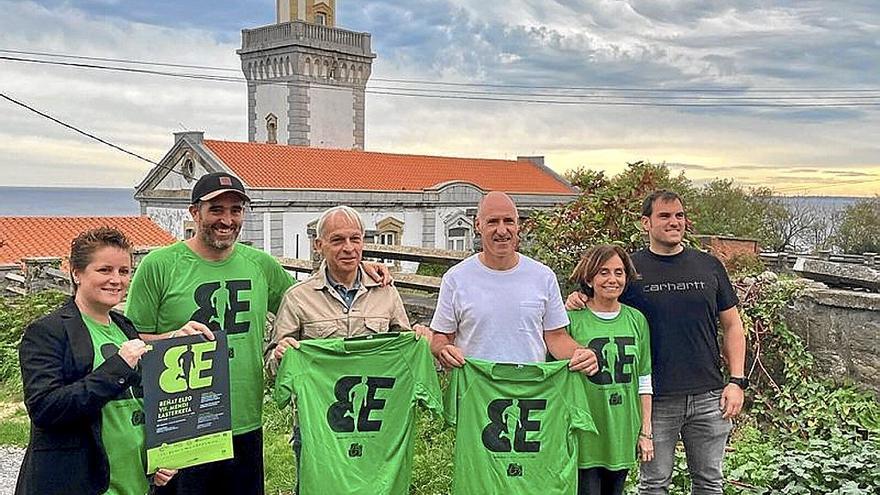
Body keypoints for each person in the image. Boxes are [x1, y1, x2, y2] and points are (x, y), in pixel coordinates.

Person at [125, 173, 390, 495]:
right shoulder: (159, 265)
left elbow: (313, 303)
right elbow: (132, 341)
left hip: (245, 418)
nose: (227, 219)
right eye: (216, 209)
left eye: (235, 210)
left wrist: (360, 270)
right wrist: (173, 338)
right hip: (183, 421)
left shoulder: (261, 265)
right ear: (195, 212)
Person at [567, 191, 746, 494]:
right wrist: (578, 298)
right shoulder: (629, 270)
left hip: (708, 395)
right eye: (664, 216)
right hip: (656, 399)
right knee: (653, 485)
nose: (674, 222)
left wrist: (737, 381)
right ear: (645, 223)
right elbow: (604, 304)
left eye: (679, 215)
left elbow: (732, 326)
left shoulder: (709, 266)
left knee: (710, 483)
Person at [266, 205, 428, 494]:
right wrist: (280, 355)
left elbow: (404, 351)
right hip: (319, 431)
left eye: (355, 239)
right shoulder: (298, 298)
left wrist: (418, 338)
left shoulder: (386, 293)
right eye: (338, 240)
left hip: (376, 425)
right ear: (319, 245)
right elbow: (272, 364)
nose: (349, 248)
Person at [16, 228, 182, 495]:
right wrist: (117, 367)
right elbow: (45, 409)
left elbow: (140, 403)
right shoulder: (48, 331)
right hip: (79, 484)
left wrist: (159, 455)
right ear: (76, 273)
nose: (116, 280)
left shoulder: (125, 327)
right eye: (105, 270)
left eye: (124, 271)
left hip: (135, 483)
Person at [428, 191, 598, 373]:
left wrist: (581, 354)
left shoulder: (543, 276)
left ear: (518, 225)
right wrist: (442, 350)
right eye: (493, 222)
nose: (502, 230)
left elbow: (556, 337)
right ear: (478, 225)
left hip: (530, 391)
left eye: (508, 221)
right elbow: (442, 336)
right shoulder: (456, 278)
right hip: (475, 391)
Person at [567, 244, 653, 495]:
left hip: (622, 430)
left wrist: (645, 431)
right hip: (585, 433)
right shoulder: (571, 320)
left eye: (618, 272)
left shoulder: (636, 320)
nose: (612, 279)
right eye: (603, 272)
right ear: (589, 277)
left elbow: (644, 378)